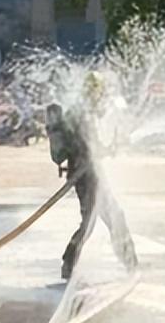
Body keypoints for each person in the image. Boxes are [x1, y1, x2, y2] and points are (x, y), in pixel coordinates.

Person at [46, 103, 137, 280]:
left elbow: (94, 148)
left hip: (93, 175)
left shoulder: (84, 116)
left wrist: (109, 148)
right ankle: (128, 261)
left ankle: (129, 260)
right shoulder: (77, 118)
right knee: (96, 220)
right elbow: (72, 152)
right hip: (85, 178)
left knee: (107, 218)